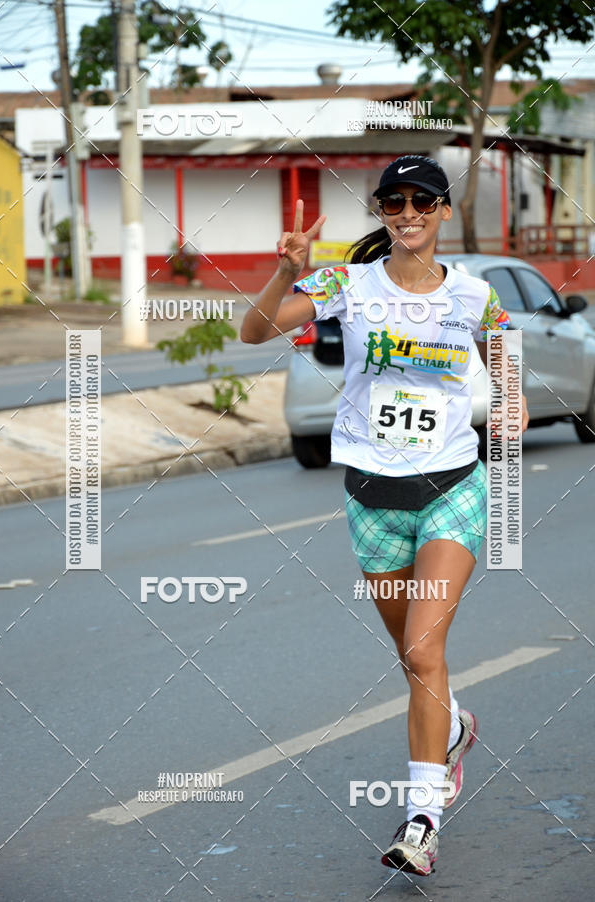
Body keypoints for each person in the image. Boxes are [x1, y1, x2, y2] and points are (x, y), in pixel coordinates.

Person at [240, 154, 529, 877]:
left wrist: (514, 398)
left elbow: (503, 348)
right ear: (381, 210)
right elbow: (255, 330)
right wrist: (287, 269)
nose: (408, 214)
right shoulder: (348, 283)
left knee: (425, 653)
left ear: (441, 212)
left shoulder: (471, 295)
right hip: (372, 498)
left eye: (421, 202)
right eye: (394, 202)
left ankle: (422, 821)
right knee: (414, 661)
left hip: (451, 491)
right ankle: (456, 724)